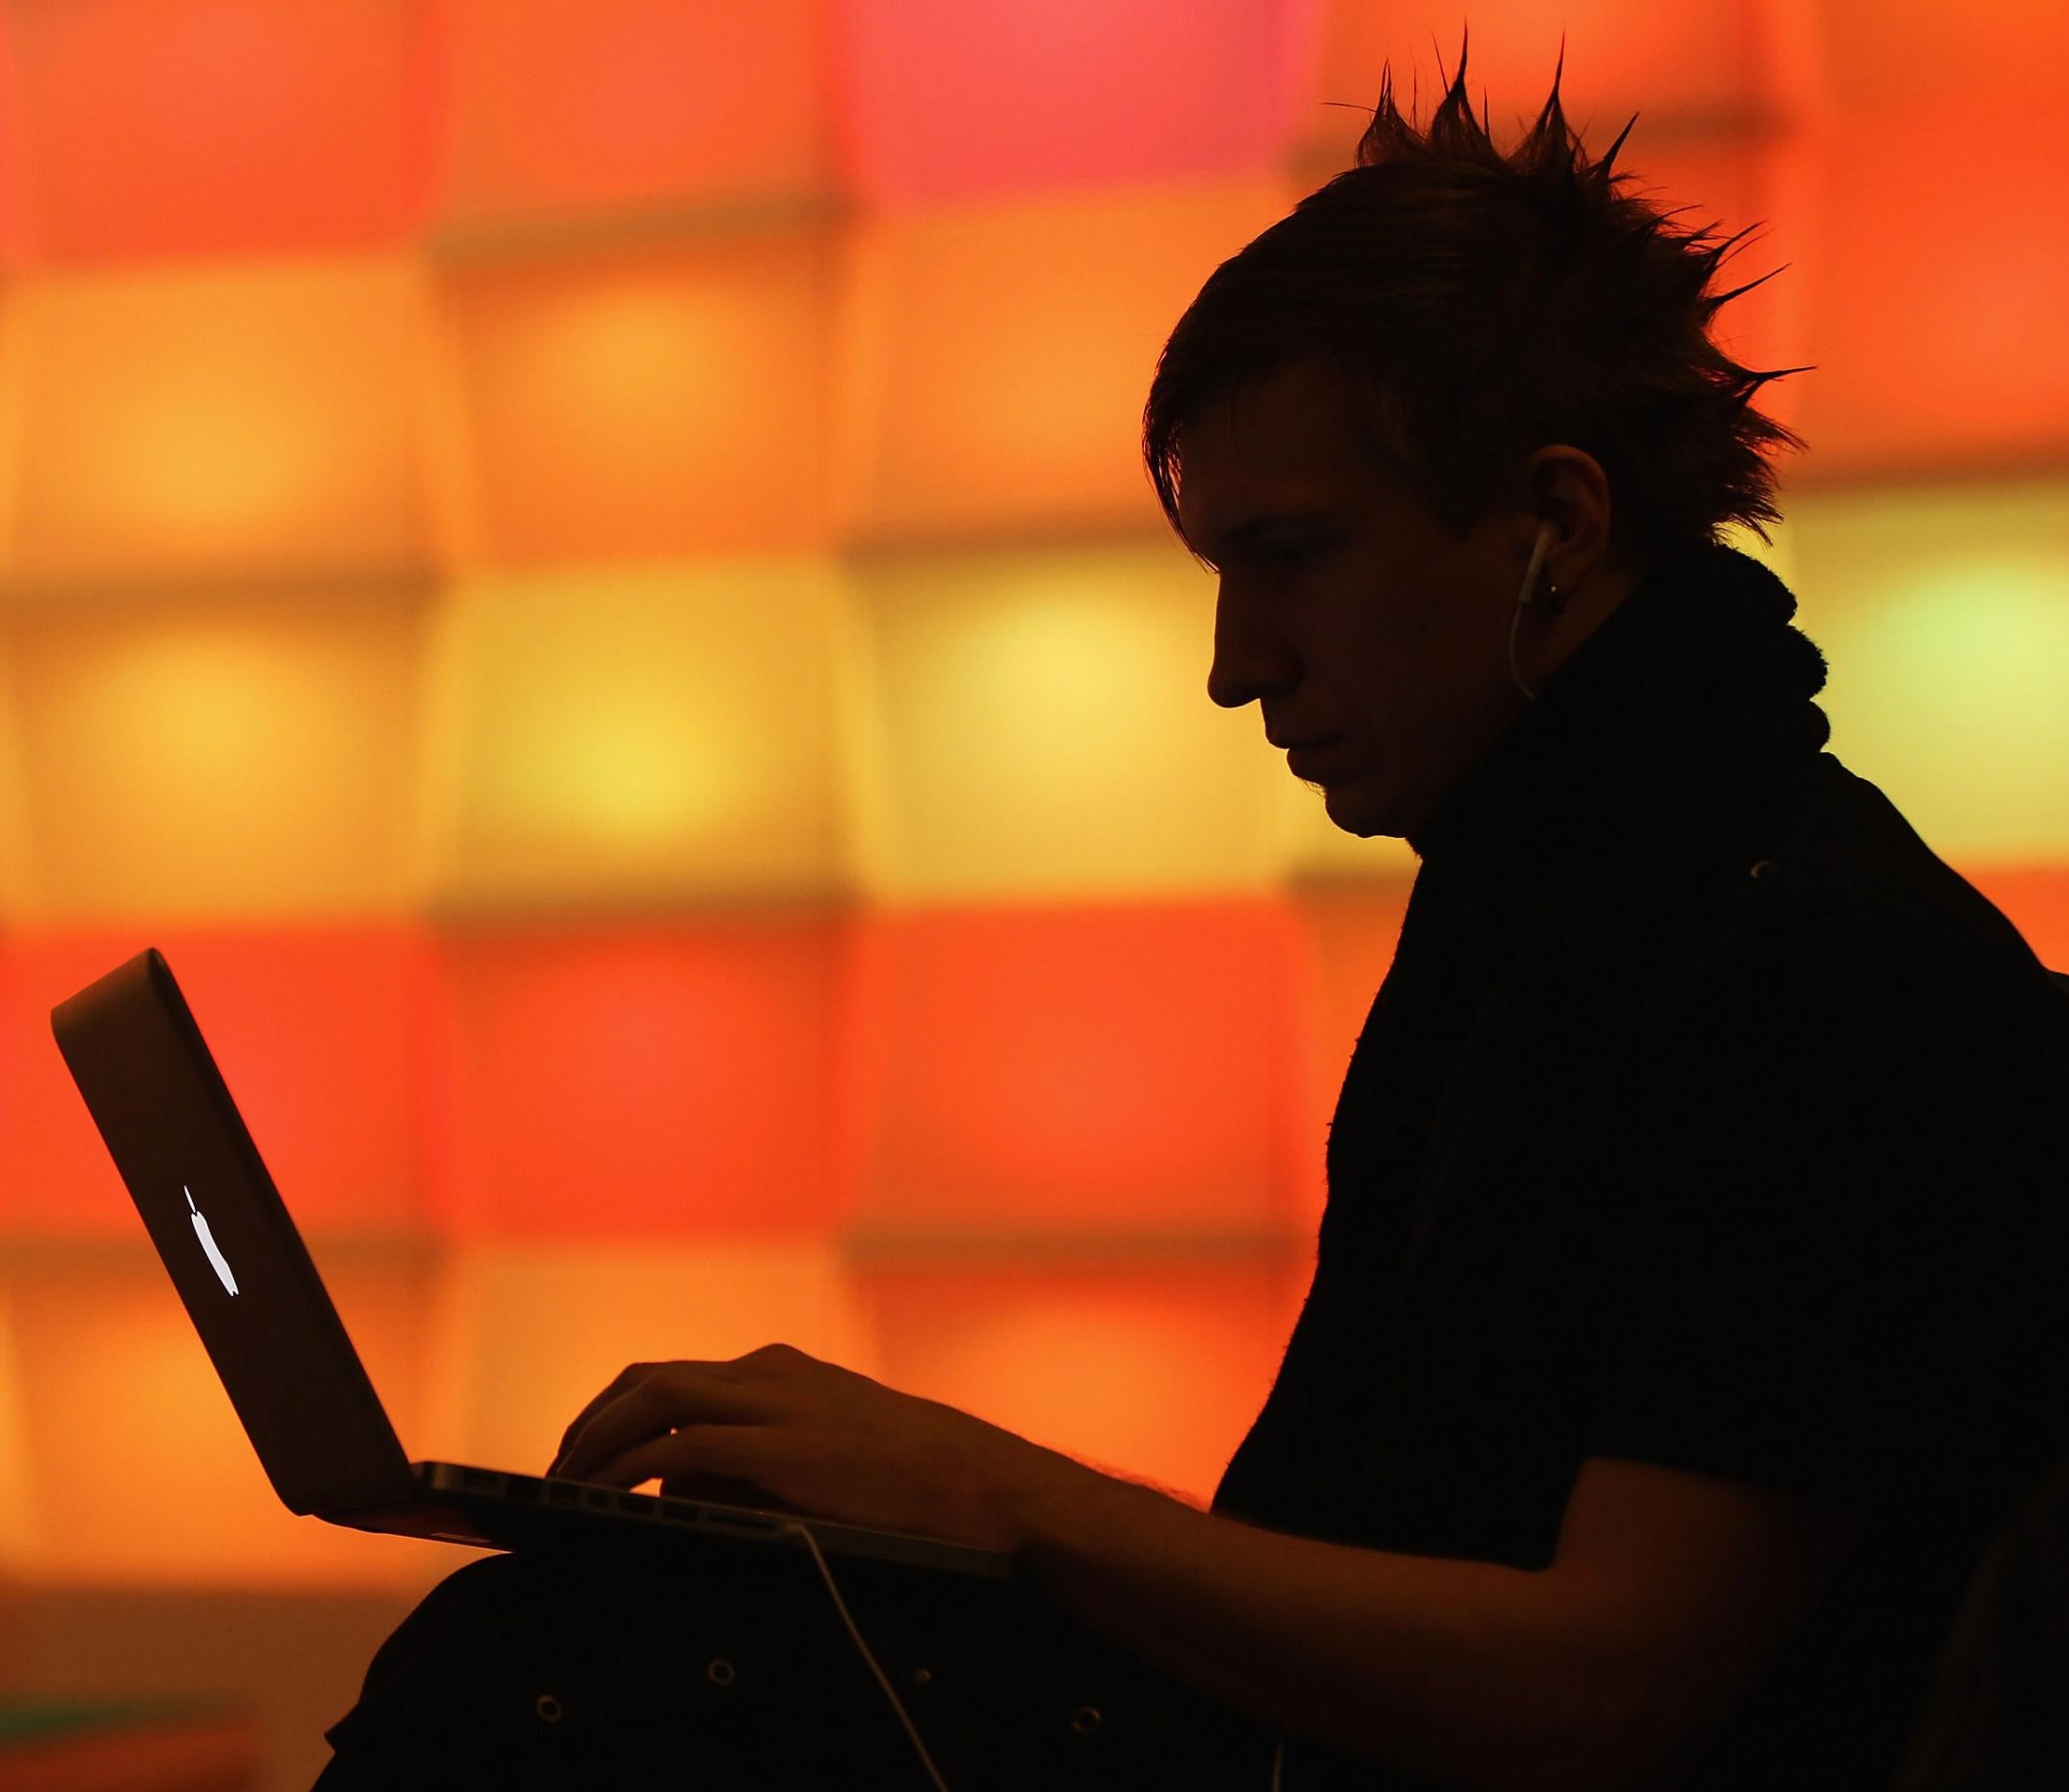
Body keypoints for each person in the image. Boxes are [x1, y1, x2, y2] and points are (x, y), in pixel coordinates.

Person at [315, 38, 2069, 1791]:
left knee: (546, 1690)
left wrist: (1002, 1501)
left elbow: (1610, 1689)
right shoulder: (1564, 912)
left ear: (1553, 520)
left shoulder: (1826, 979)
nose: (1239, 668)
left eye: (1292, 556)